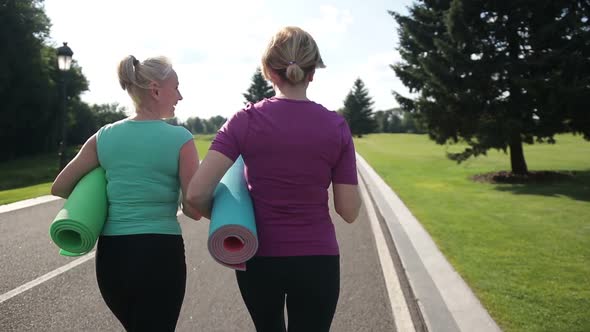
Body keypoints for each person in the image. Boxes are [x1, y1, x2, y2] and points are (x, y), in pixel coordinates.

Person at [187, 26, 361, 332]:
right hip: (317, 260)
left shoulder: (244, 121)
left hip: (259, 259)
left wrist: (229, 215)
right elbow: (348, 211)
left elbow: (195, 194)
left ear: (268, 71)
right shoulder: (336, 126)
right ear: (312, 73)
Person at [51, 55, 200, 332]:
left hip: (113, 257)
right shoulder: (181, 140)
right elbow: (193, 209)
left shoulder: (104, 135)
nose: (180, 95)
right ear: (155, 90)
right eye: (176, 87)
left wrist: (104, 185)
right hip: (160, 253)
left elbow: (60, 185)